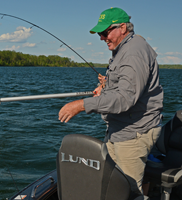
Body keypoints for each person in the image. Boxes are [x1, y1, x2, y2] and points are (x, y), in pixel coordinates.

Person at [58, 7, 163, 199]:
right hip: (120, 129)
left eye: (105, 32)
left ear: (122, 27)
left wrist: (82, 105)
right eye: (100, 33)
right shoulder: (124, 48)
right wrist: (106, 87)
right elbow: (127, 85)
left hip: (133, 133)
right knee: (113, 184)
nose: (102, 37)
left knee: (128, 192)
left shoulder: (133, 52)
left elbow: (125, 98)